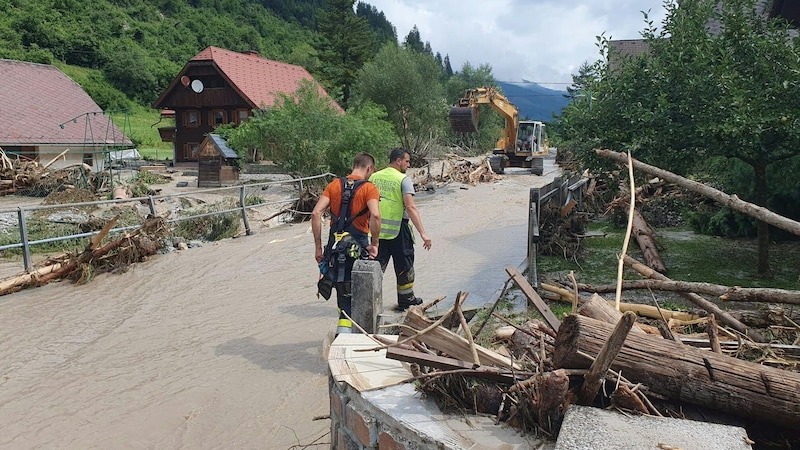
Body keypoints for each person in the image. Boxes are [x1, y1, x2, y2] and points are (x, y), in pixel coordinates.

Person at [312, 153, 381, 334]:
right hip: (357, 247)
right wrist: (375, 244)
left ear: (354, 165)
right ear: (369, 168)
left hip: (334, 248)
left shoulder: (334, 185)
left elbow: (315, 213)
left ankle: (344, 332)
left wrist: (318, 248)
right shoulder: (370, 188)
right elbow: (375, 215)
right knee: (358, 294)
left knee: (342, 294)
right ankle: (349, 338)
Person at [369, 148, 432, 311]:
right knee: (404, 265)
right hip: (398, 230)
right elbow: (411, 208)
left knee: (376, 267)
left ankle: (369, 303)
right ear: (398, 161)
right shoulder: (403, 179)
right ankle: (406, 300)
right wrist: (423, 233)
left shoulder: (374, 177)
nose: (408, 164)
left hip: (377, 231)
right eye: (407, 161)